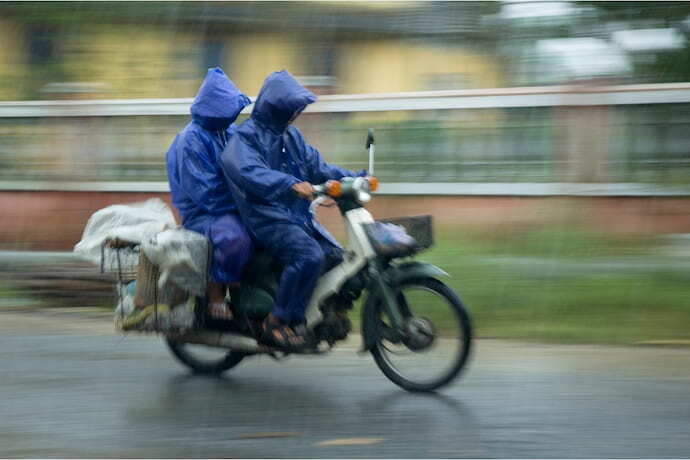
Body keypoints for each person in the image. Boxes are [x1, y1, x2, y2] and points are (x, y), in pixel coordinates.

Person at [220, 70, 366, 350]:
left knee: (336, 256)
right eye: (290, 108)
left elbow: (318, 168)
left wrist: (354, 178)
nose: (295, 114)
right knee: (308, 255)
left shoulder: (291, 136)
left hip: (296, 216)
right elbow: (248, 172)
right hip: (265, 216)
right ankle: (277, 320)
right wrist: (289, 184)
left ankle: (315, 316)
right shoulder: (244, 138)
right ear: (275, 107)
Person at [165, 67, 253, 319]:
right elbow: (207, 193)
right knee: (234, 238)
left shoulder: (229, 132)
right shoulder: (190, 141)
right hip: (203, 213)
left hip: (234, 205)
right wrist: (245, 203)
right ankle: (216, 298)